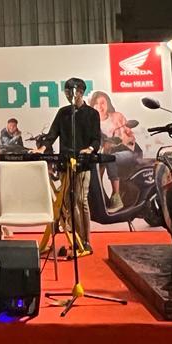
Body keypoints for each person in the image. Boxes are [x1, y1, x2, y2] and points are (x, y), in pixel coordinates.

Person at [43, 78, 101, 257]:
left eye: (71, 92)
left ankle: (86, 241)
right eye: (66, 92)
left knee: (81, 200)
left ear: (81, 92)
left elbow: (96, 139)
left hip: (83, 163)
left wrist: (90, 149)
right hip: (65, 162)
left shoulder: (92, 114)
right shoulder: (63, 113)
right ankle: (76, 241)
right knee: (68, 201)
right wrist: (41, 148)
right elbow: (52, 134)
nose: (69, 95)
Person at [90, 91, 142, 211]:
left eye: (102, 103)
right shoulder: (92, 123)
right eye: (96, 103)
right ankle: (100, 200)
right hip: (105, 154)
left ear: (108, 103)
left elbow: (130, 139)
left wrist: (119, 140)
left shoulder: (117, 117)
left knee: (110, 159)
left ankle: (116, 197)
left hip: (129, 152)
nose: (100, 106)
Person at [0, 118, 24, 193]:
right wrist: (16, 137)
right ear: (7, 125)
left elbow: (21, 146)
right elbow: (6, 144)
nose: (12, 127)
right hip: (1, 148)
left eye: (14, 126)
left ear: (16, 126)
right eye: (10, 125)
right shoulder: (4, 132)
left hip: (11, 150)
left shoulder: (18, 133)